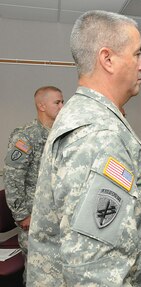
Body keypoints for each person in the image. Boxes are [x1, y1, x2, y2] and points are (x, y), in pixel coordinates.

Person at [27, 10, 141, 286]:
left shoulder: (85, 114)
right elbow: (94, 272)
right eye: (137, 54)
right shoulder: (98, 135)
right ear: (107, 59)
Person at [4, 85, 63, 282]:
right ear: (42, 105)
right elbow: (13, 176)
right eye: (57, 102)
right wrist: (22, 214)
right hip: (34, 218)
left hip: (58, 218)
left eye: (63, 101)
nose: (62, 106)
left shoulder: (60, 135)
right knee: (37, 275)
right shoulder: (26, 136)